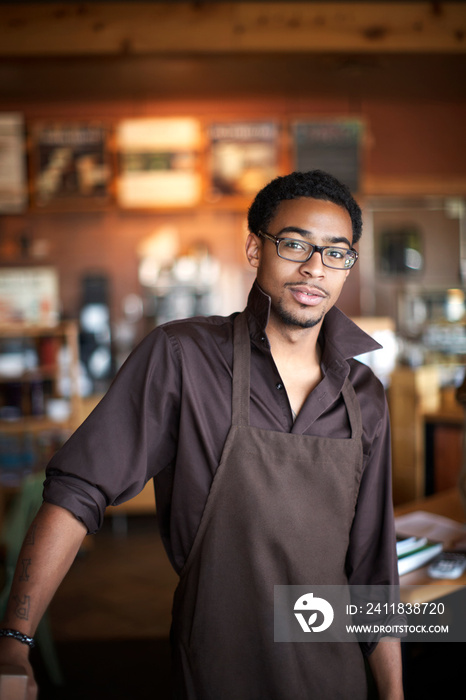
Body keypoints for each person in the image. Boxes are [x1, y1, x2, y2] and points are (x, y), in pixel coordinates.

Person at [0, 170, 403, 699]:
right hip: (219, 664)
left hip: (333, 670)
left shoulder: (365, 395)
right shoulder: (182, 357)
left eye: (336, 252)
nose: (314, 267)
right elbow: (77, 491)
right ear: (254, 248)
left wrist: (392, 694)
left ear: (348, 265)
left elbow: (373, 568)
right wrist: (13, 641)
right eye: (294, 243)